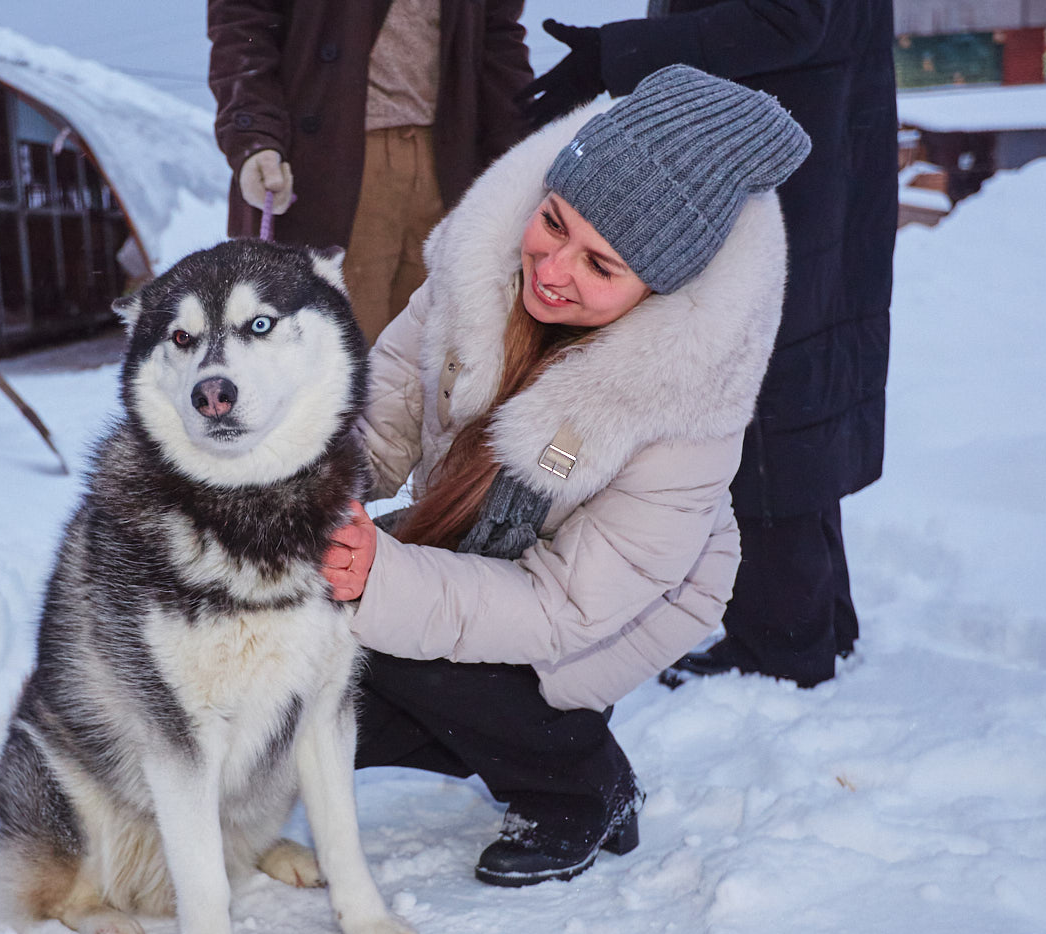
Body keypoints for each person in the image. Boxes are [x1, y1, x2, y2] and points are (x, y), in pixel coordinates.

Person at [317, 66, 810, 887]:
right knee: (315, 689)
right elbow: (387, 408)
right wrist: (304, 494)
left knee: (402, 649)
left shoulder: (686, 409)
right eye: (553, 223)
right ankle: (487, 726)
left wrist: (379, 579)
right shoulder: (480, 272)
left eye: (601, 266)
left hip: (610, 606)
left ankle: (582, 785)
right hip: (477, 547)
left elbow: (561, 610)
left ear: (661, 287)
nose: (552, 270)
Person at [517, 1, 898, 688]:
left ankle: (782, 650)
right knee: (791, 394)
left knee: (760, 399)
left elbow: (791, 18)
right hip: (803, 147)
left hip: (781, 160)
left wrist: (619, 55)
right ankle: (820, 627)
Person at [206, 1, 531, 343]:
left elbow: (498, 35)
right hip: (335, 165)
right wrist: (255, 135)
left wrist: (520, 153)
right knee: (340, 364)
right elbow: (244, 20)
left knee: (441, 359)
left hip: (456, 162)